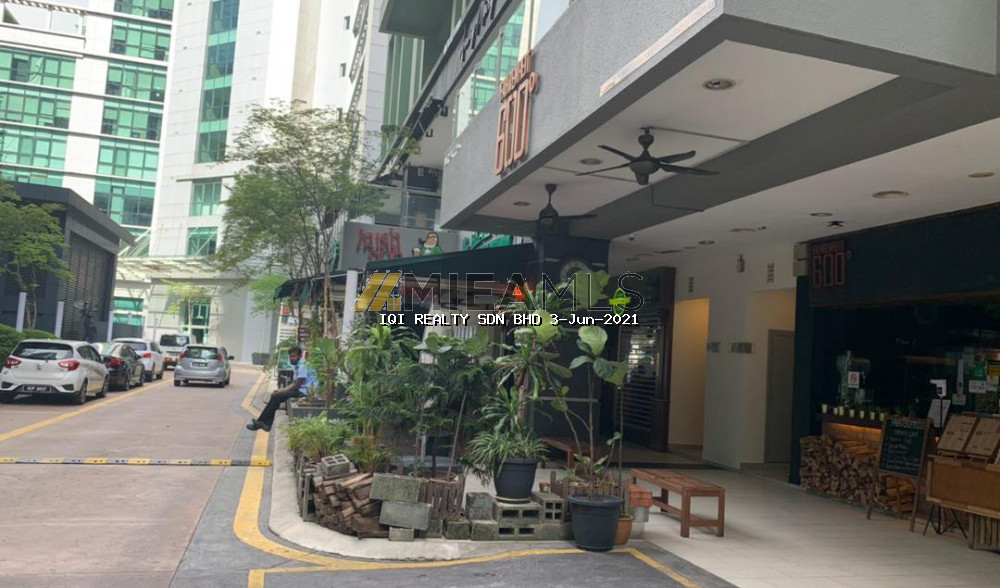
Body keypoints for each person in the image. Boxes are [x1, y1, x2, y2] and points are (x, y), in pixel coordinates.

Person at [247, 346, 317, 432]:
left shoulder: (303, 365)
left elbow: (297, 385)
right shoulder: (298, 365)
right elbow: (294, 384)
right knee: (275, 396)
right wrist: (280, 390)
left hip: (306, 392)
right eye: (290, 356)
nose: (292, 359)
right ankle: (264, 423)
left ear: (299, 356)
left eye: (294, 356)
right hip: (300, 390)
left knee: (276, 396)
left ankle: (264, 423)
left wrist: (282, 391)